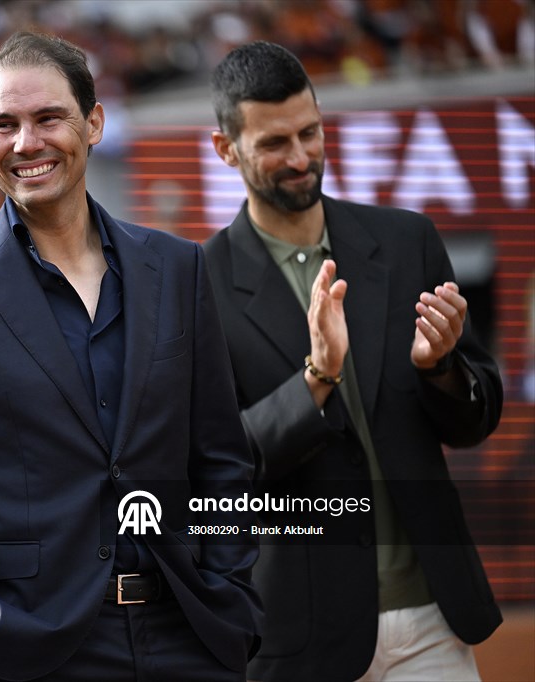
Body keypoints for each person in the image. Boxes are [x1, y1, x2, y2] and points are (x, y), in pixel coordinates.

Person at [0, 30, 260, 682]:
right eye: (3, 124)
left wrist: (233, 596)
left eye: (48, 118)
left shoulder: (178, 269)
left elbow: (222, 460)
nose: (25, 143)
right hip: (30, 652)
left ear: (93, 123)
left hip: (191, 638)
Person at [203, 41, 503, 682]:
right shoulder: (194, 286)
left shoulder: (407, 241)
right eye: (274, 142)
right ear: (226, 149)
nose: (301, 157)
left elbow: (476, 418)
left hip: (433, 617)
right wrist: (317, 378)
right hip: (298, 639)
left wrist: (441, 368)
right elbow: (212, 470)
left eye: (310, 132)